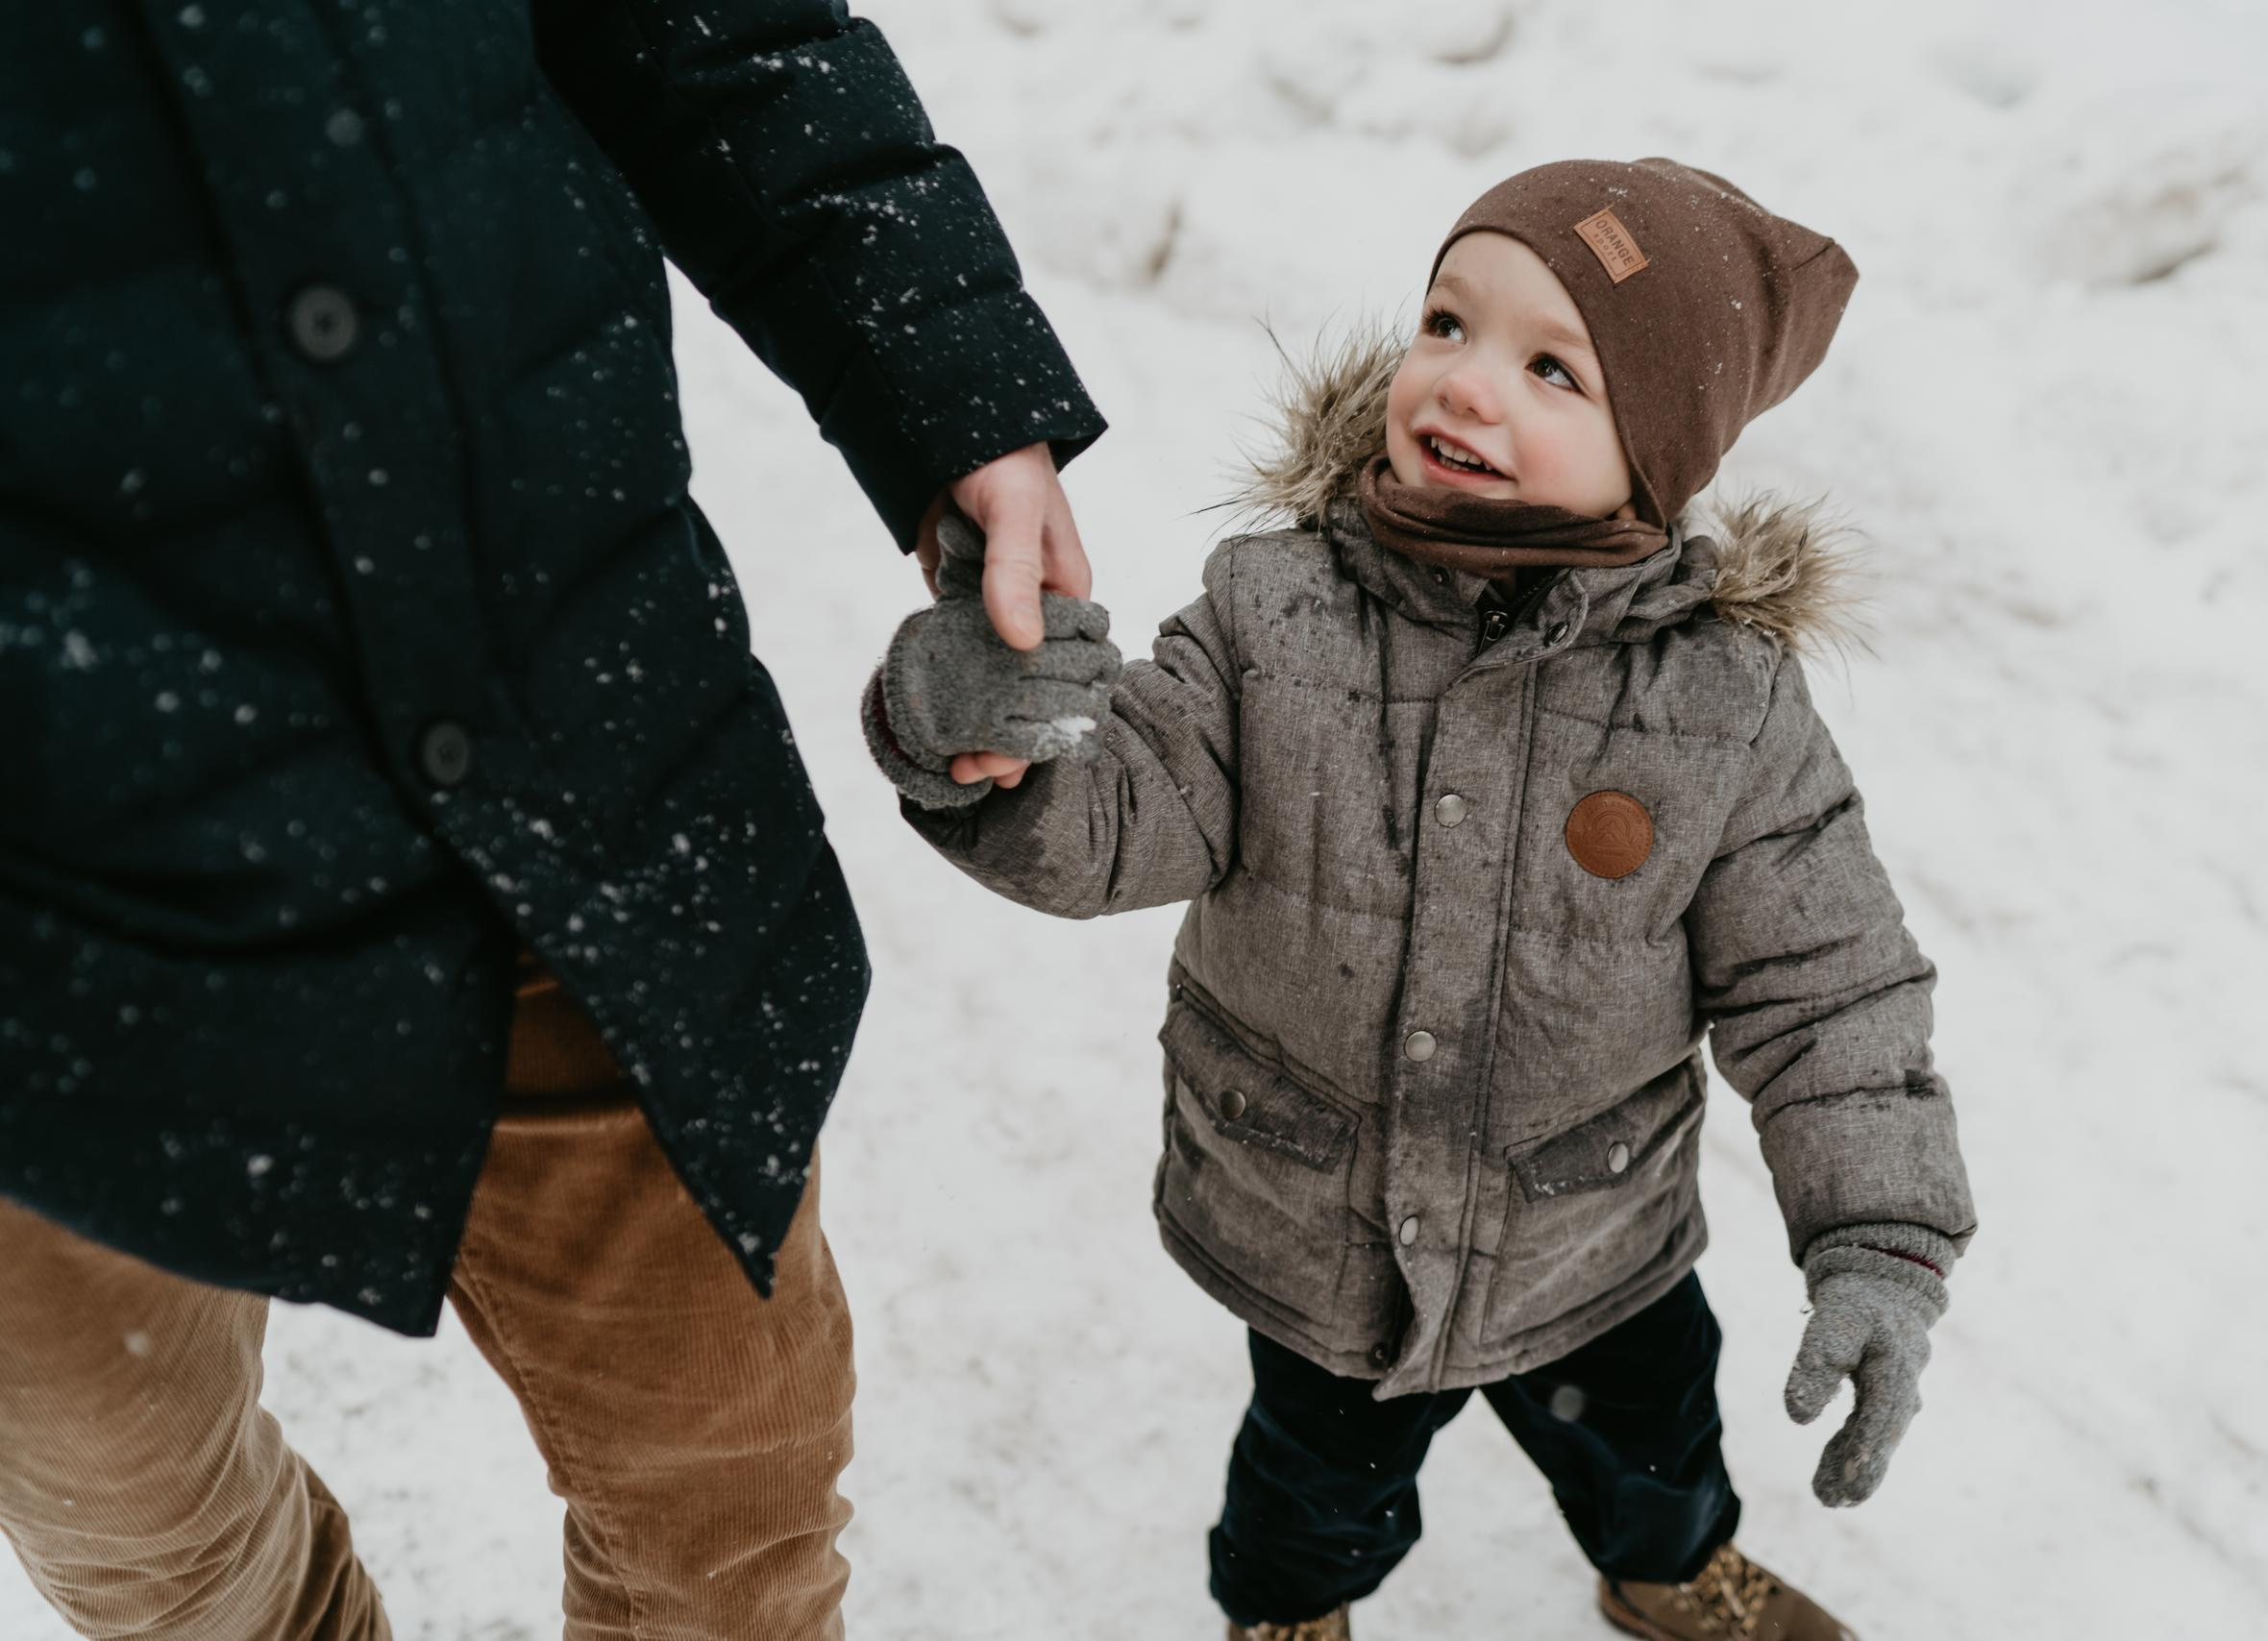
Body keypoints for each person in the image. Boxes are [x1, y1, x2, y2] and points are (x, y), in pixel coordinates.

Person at [0, 2, 1101, 1637]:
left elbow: (714, 27)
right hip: (56, 919)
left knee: (731, 1481)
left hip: (567, 744)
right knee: (156, 1540)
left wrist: (946, 376)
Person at [864, 159, 1978, 1641]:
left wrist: (1880, 1242)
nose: (1463, 384)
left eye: (1549, 368)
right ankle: (1284, 1613)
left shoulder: (1723, 706)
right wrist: (980, 736)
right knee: (1312, 1491)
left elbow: (1827, 986)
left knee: (1657, 1451)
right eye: (1448, 322)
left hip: (1594, 1233)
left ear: (1659, 444)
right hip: (1326, 1231)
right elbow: (1116, 819)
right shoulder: (1275, 619)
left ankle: (1663, 1569)